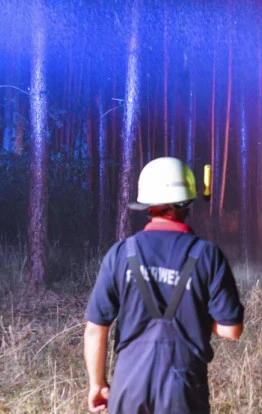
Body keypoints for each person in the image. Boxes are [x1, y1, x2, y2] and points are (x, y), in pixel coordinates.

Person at [84, 157, 244, 413]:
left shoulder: (121, 253)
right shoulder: (207, 255)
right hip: (183, 390)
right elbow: (231, 330)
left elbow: (95, 328)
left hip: (128, 387)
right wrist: (195, 314)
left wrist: (97, 384)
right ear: (187, 202)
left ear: (147, 205)